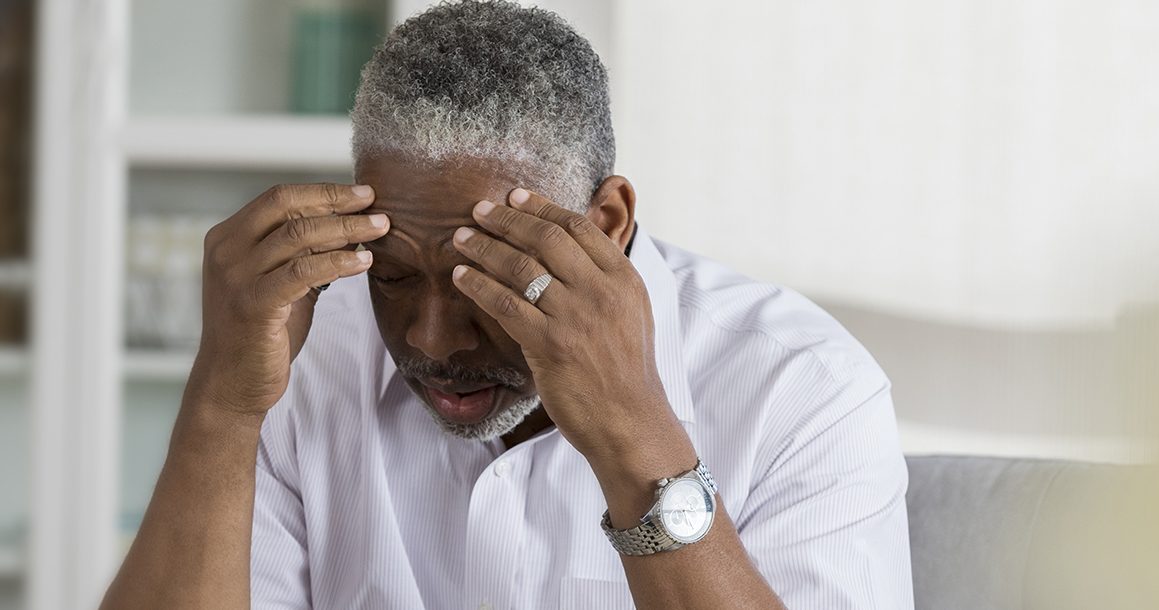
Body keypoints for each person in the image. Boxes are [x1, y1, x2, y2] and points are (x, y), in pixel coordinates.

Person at [102, 1, 913, 608]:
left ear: (607, 225)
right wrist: (223, 401)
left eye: (479, 280)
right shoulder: (300, 357)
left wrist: (634, 432)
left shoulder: (804, 389)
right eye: (389, 276)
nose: (432, 339)